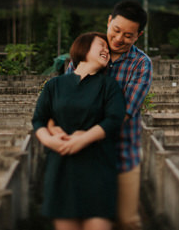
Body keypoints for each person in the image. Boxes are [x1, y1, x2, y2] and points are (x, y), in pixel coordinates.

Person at [49, 0, 152, 230]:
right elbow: (64, 97)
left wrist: (82, 125)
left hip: (122, 154)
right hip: (83, 155)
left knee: (127, 220)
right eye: (115, 30)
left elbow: (124, 112)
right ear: (108, 21)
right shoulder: (85, 52)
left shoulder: (141, 64)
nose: (118, 39)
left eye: (128, 35)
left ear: (138, 35)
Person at [32, 32, 126, 230]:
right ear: (83, 47)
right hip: (62, 166)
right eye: (101, 45)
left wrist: (84, 139)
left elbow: (114, 120)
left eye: (107, 49)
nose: (106, 50)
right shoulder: (54, 85)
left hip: (98, 166)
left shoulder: (109, 86)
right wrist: (51, 142)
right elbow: (39, 120)